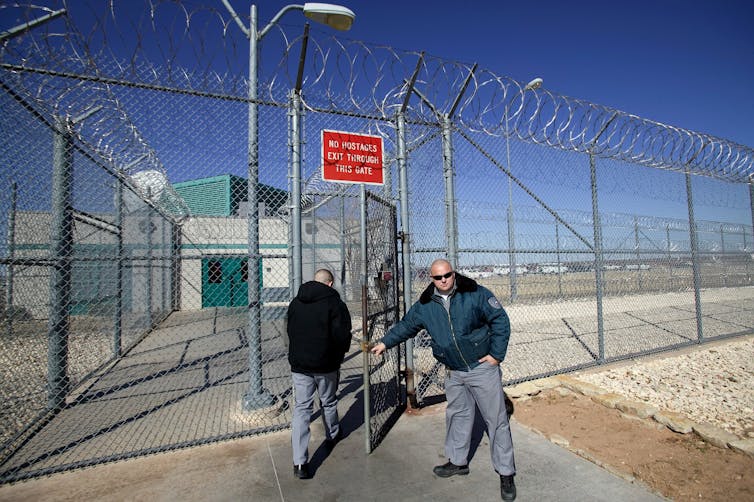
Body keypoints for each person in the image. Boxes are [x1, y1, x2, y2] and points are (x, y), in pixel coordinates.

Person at [371, 259, 517, 501]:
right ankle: (458, 462)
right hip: (453, 370)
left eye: (447, 275)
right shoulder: (426, 305)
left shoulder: (475, 293)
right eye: (438, 277)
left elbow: (500, 321)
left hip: (481, 367)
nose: (444, 280)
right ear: (431, 279)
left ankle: (506, 473)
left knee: (496, 420)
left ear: (453, 273)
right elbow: (407, 326)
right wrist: (385, 342)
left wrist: (496, 355)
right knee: (458, 415)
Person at [287, 268, 352, 480]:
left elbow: (289, 330)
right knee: (328, 401)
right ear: (330, 283)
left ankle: (299, 463)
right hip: (326, 365)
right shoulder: (335, 304)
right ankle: (332, 434)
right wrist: (339, 355)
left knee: (302, 408)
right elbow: (342, 335)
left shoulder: (296, 302)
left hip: (300, 365)